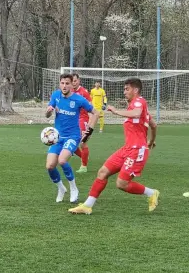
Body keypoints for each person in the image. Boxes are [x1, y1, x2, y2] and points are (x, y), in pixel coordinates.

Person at [69, 78, 159, 215]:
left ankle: (152, 193)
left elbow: (137, 113)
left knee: (121, 184)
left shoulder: (140, 101)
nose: (124, 92)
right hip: (127, 149)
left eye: (127, 89)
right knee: (102, 172)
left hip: (136, 151)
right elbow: (153, 125)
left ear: (135, 90)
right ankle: (87, 206)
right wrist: (151, 141)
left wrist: (116, 111)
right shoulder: (134, 106)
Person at [46, 74, 99, 203]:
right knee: (50, 166)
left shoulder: (79, 99)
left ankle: (74, 188)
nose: (64, 86)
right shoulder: (55, 96)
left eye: (67, 83)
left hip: (73, 136)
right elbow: (48, 115)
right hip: (57, 137)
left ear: (72, 85)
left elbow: (96, 113)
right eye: (62, 83)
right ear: (59, 84)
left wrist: (89, 130)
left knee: (62, 160)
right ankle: (61, 188)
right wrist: (49, 111)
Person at [72, 73, 93, 173]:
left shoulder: (84, 92)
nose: (73, 83)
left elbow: (91, 108)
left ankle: (84, 166)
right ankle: (84, 156)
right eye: (72, 81)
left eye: (75, 81)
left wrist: (91, 124)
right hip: (72, 120)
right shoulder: (69, 91)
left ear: (79, 81)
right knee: (71, 143)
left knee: (82, 143)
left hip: (83, 119)